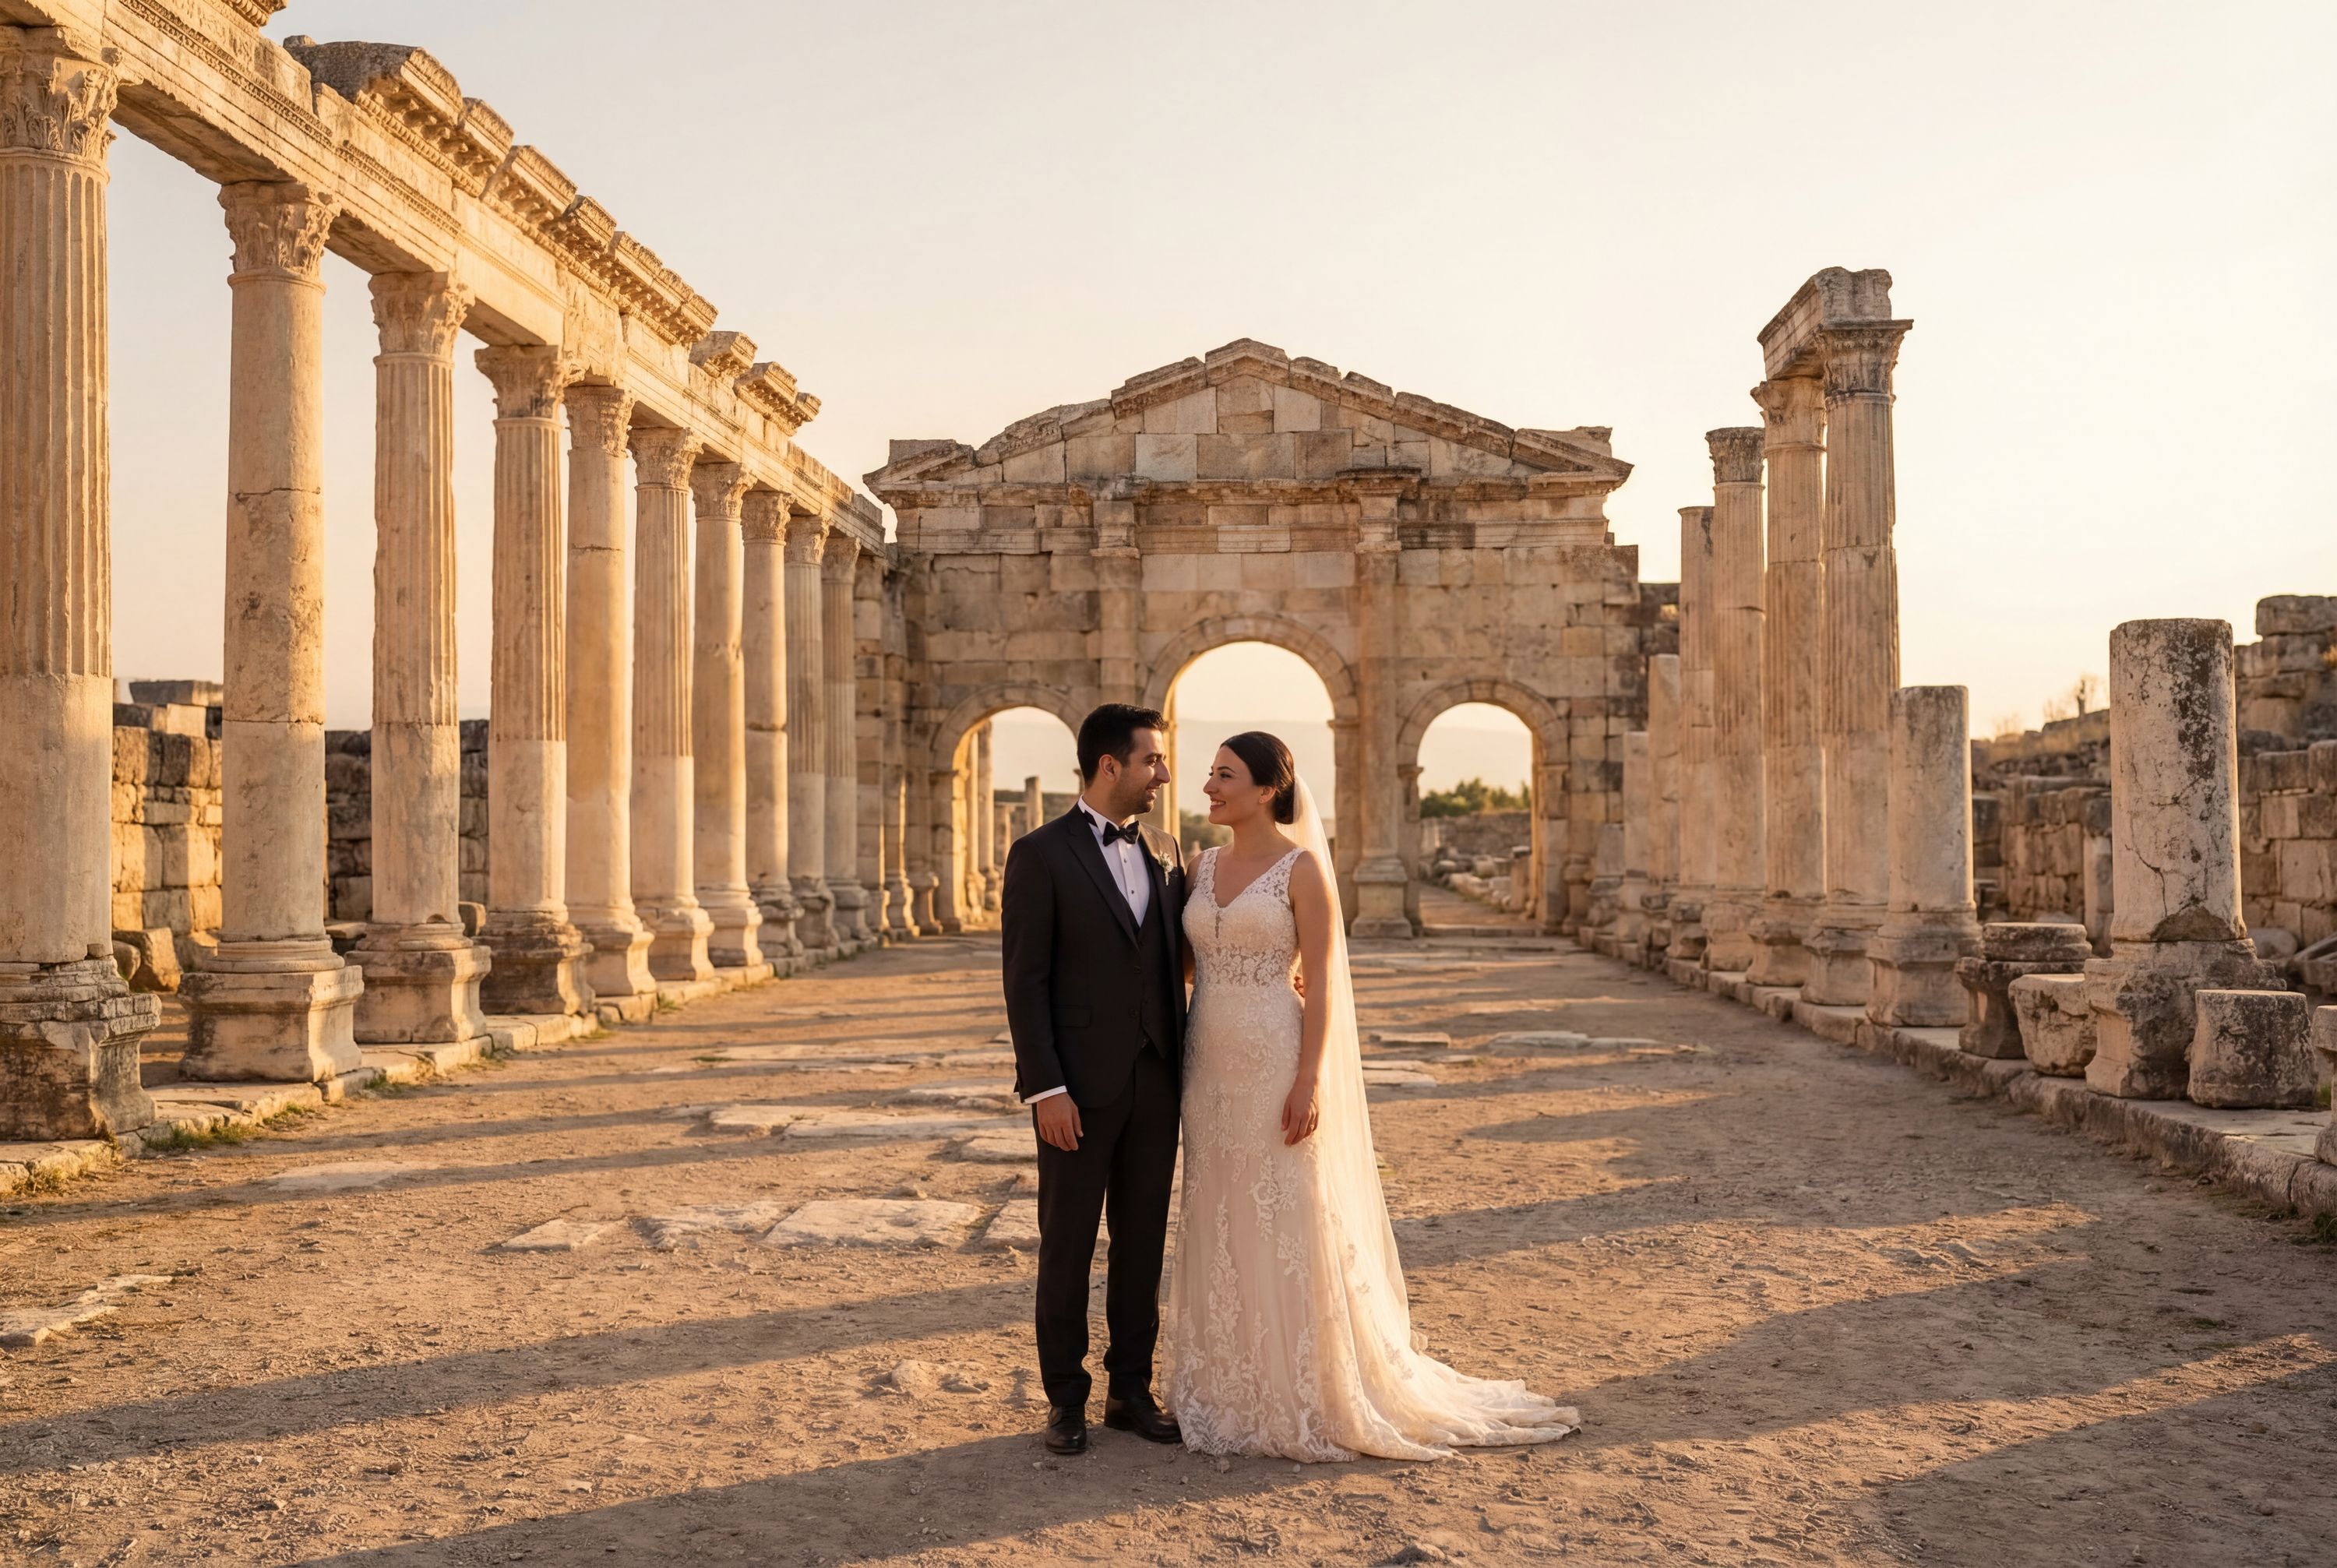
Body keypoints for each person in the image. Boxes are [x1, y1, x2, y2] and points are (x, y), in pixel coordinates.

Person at [1163, 730, 1579, 1460]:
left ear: (1266, 789)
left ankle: (1308, 1383)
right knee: (1220, 1207)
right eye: (1210, 773)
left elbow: (1322, 983)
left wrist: (1308, 1079)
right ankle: (1228, 1380)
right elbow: (1190, 965)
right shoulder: (1196, 866)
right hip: (1209, 1062)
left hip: (1275, 1057)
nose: (1209, 786)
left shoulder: (1303, 872)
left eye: (1224, 775)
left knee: (1284, 1209)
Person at [999, 703, 1186, 1456]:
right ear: (1111, 766)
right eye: (1152, 762)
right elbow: (1025, 981)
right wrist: (1046, 1088)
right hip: (1074, 1089)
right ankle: (1065, 1399)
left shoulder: (1169, 849)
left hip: (1157, 1082)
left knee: (1142, 1243)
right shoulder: (1039, 854)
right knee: (1067, 1244)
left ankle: (1130, 1390)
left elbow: (1177, 956)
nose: (1163, 775)